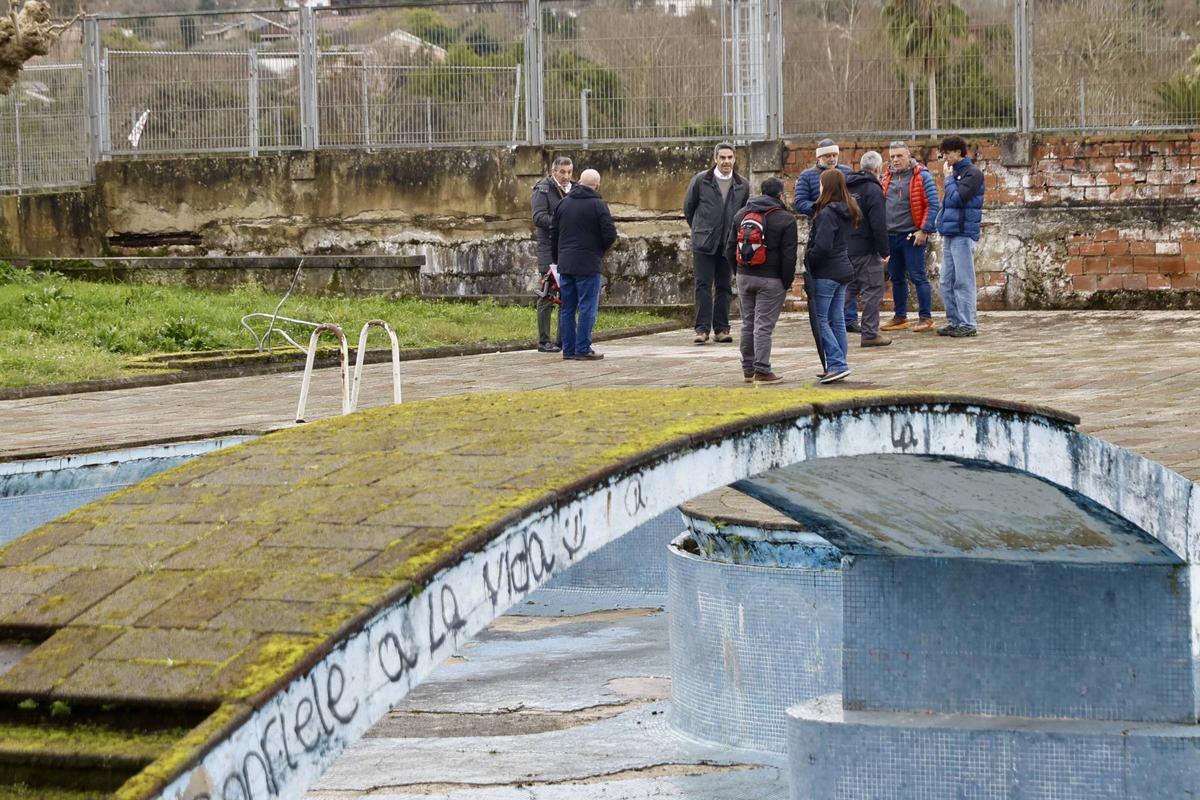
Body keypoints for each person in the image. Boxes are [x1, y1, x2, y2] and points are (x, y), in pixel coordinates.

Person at [725, 176, 797, 384]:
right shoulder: (785, 219)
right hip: (771, 279)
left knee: (748, 323)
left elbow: (729, 248)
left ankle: (748, 369)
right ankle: (763, 370)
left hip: (744, 276)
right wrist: (786, 282)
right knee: (763, 325)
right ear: (780, 195)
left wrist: (738, 271)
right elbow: (789, 256)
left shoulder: (741, 214)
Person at [683, 142, 749, 345]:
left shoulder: (742, 184)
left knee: (724, 286)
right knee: (703, 284)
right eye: (722, 158)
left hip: (728, 243)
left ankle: (722, 328)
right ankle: (702, 329)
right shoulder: (701, 180)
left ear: (735, 159)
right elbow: (689, 208)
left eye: (730, 158)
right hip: (704, 241)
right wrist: (700, 229)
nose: (726, 161)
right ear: (715, 159)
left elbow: (745, 211)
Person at [551, 168, 617, 361]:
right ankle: (583, 348)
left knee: (567, 308)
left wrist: (557, 259)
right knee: (587, 307)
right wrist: (598, 251)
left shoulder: (563, 204)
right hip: (588, 264)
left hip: (566, 264)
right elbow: (610, 235)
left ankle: (569, 349)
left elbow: (554, 235)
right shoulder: (598, 205)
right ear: (597, 185)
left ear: (579, 181)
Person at [804, 169, 860, 384]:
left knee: (820, 319)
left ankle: (837, 363)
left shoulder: (827, 213)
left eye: (820, 183)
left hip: (827, 272)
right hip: (843, 269)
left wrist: (810, 258)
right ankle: (839, 362)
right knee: (836, 319)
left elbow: (823, 246)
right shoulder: (847, 208)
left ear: (826, 186)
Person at [879, 141, 940, 333]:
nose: (896, 160)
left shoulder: (922, 176)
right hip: (891, 236)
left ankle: (926, 318)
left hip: (912, 236)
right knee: (896, 277)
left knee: (918, 276)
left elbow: (933, 204)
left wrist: (924, 230)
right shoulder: (886, 178)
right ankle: (900, 317)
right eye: (892, 157)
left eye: (899, 156)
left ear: (908, 155)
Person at [936, 134, 986, 338]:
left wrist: (948, 180)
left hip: (963, 234)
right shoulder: (956, 175)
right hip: (950, 234)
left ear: (958, 152)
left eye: (947, 153)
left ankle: (968, 323)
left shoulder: (972, 174)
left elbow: (957, 199)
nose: (945, 158)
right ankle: (954, 321)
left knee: (963, 280)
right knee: (945, 281)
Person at [844, 151, 892, 347]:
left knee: (848, 289)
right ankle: (870, 333)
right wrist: (884, 251)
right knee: (873, 289)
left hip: (845, 247)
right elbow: (878, 223)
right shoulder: (873, 190)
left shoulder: (845, 186)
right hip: (866, 248)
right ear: (878, 169)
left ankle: (828, 326)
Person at [531, 156, 573, 353]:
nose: (566, 176)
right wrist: (561, 221)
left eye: (569, 172)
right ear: (554, 171)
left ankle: (562, 339)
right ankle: (544, 340)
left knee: (567, 294)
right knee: (547, 294)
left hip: (566, 248)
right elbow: (538, 217)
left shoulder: (573, 189)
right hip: (548, 249)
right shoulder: (543, 189)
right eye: (562, 172)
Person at [793, 138, 852, 219]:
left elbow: (855, 195)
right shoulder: (806, 176)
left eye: (834, 155)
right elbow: (800, 203)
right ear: (819, 157)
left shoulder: (847, 172)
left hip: (845, 219)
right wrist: (821, 208)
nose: (832, 159)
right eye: (828, 156)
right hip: (821, 220)